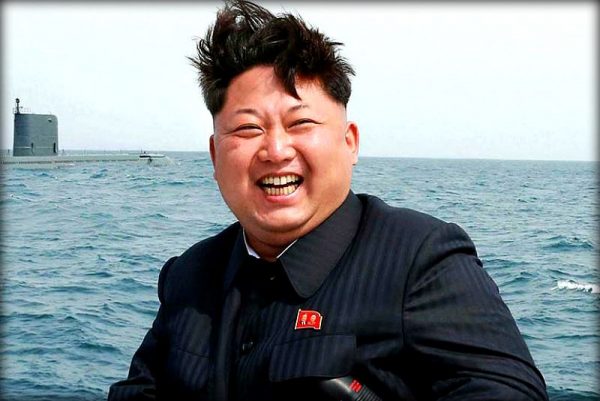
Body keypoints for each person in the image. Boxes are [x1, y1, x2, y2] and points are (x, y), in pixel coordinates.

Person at [108, 1, 548, 400]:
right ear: (214, 154)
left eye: (300, 124)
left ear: (349, 142)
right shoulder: (190, 274)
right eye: (247, 129)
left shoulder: (422, 261)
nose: (275, 150)